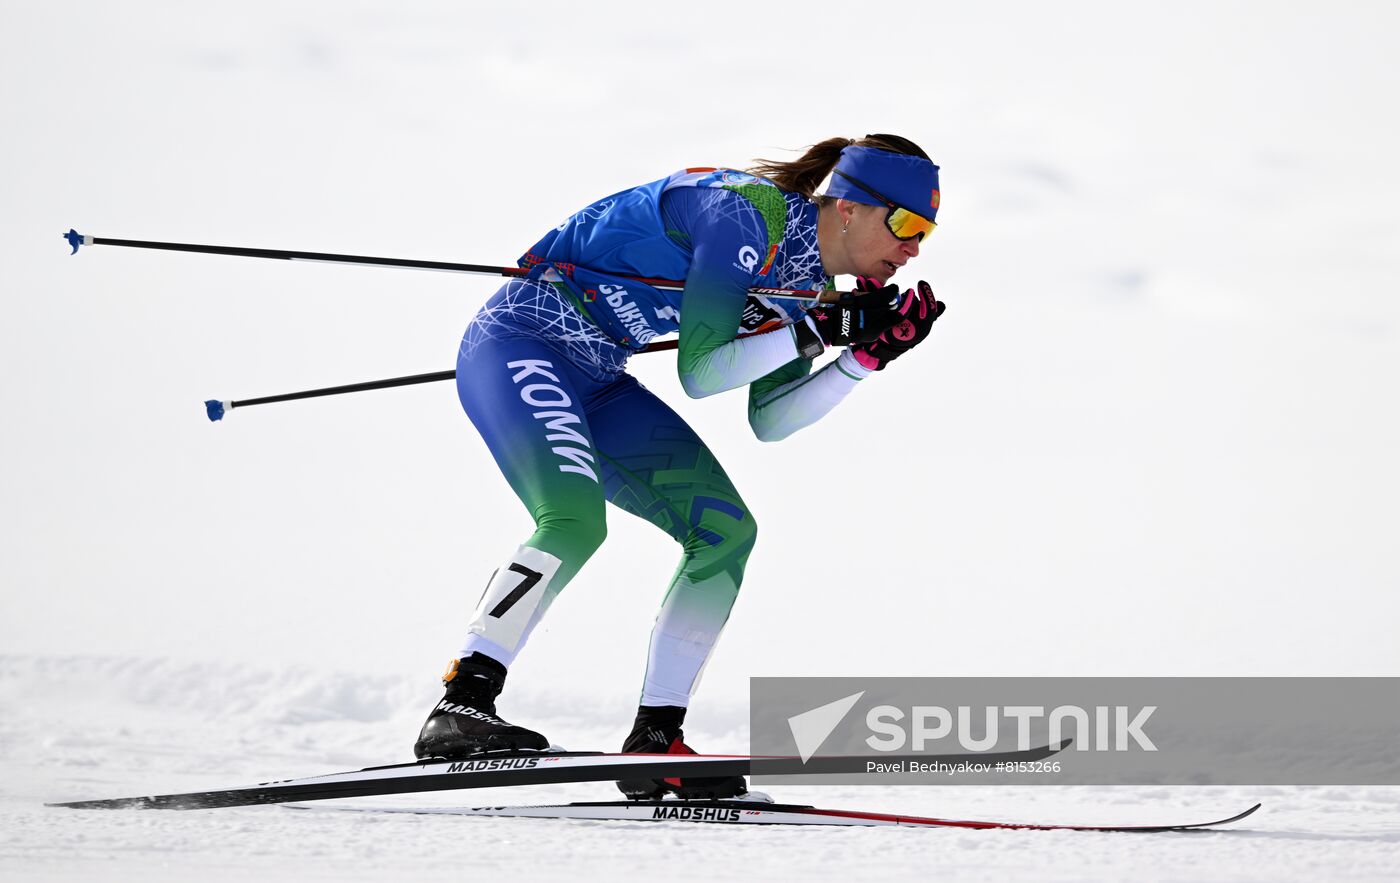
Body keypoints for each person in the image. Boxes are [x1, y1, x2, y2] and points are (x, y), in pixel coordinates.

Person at [415, 134, 945, 800]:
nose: (914, 246)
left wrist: (863, 358)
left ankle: (655, 738)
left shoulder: (811, 286)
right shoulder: (748, 217)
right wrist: (823, 330)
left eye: (926, 231)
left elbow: (772, 417)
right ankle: (462, 700)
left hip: (599, 373)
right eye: (905, 223)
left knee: (725, 529)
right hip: (522, 341)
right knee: (574, 521)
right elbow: (700, 372)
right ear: (848, 206)